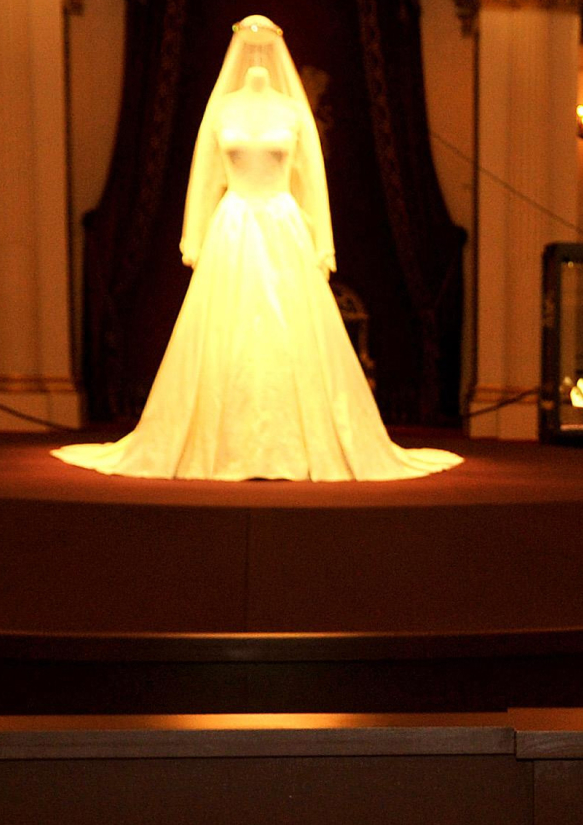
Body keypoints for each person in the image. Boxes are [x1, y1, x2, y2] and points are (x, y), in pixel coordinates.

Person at [53, 15, 460, 481]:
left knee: (291, 332)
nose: (257, 49)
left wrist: (322, 244)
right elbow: (204, 176)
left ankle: (294, 441)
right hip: (234, 228)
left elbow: (312, 182)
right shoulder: (222, 110)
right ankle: (223, 441)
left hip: (283, 225)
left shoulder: (292, 111)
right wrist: (195, 236)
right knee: (228, 332)